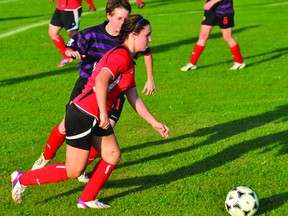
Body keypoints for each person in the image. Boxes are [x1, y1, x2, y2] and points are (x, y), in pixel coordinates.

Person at [11, 14, 169, 209]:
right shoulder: (120, 56)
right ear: (134, 35)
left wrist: (154, 123)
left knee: (112, 154)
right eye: (148, 35)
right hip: (83, 114)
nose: (150, 40)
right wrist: (104, 113)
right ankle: (21, 179)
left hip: (93, 114)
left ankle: (86, 199)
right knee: (74, 170)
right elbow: (101, 80)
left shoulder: (128, 58)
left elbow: (133, 96)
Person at [31, 0, 156, 183]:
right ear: (108, 16)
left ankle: (82, 168)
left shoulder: (127, 38)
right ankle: (46, 156)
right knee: (66, 126)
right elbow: (70, 47)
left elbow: (146, 52)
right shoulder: (91, 34)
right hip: (87, 90)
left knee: (105, 131)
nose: (122, 22)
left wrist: (150, 78)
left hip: (114, 93)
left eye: (126, 18)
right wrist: (70, 53)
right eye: (119, 18)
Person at [180, 0, 245, 71]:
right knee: (203, 35)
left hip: (225, 11)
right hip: (210, 11)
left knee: (227, 37)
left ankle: (239, 62)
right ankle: (192, 63)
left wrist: (212, 2)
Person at [49, 0, 82, 67]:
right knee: (52, 32)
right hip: (60, 7)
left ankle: (87, 60)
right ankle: (67, 57)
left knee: (73, 36)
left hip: (71, 7)